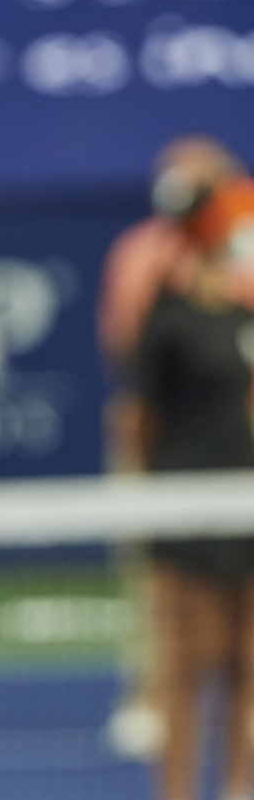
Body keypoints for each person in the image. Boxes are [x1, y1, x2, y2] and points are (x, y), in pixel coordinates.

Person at [98, 138, 254, 760]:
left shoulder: (245, 248)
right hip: (165, 442)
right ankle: (148, 696)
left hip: (239, 445)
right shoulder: (138, 255)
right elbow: (131, 354)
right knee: (160, 585)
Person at [129, 180, 254, 800]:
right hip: (183, 509)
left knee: (245, 664)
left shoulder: (244, 311)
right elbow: (141, 421)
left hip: (245, 507)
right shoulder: (166, 320)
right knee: (183, 666)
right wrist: (152, 501)